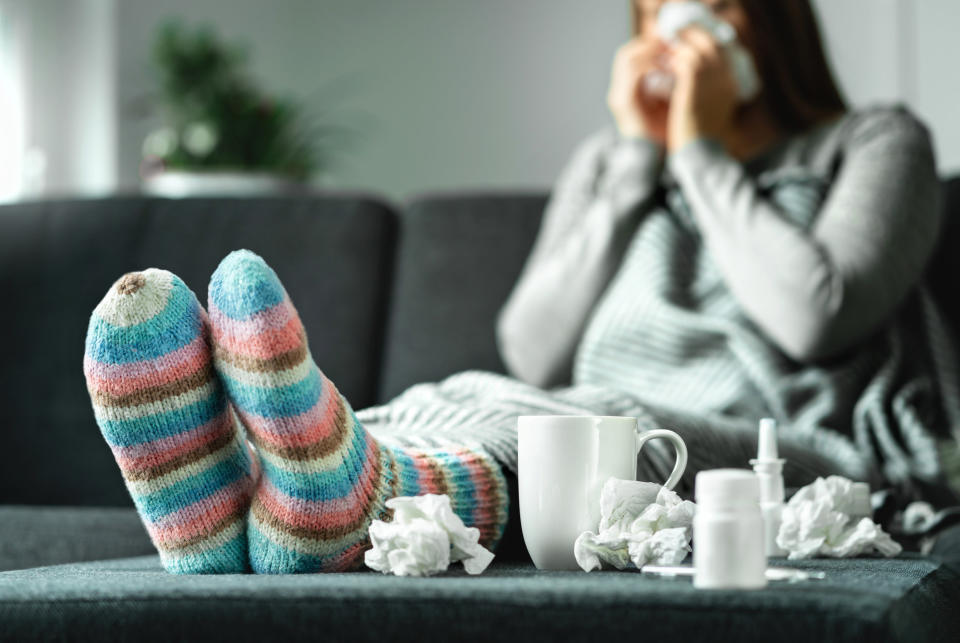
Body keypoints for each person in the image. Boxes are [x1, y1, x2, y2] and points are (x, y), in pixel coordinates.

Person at [82, 0, 958, 575]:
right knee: (450, 393)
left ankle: (354, 506)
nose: (682, 35)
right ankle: (239, 509)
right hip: (582, 402)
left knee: (586, 431)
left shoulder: (877, 141)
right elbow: (529, 346)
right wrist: (632, 168)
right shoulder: (612, 166)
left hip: (780, 447)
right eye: (660, 13)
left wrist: (697, 152)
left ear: (770, 24)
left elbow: (814, 316)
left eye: (714, 9)